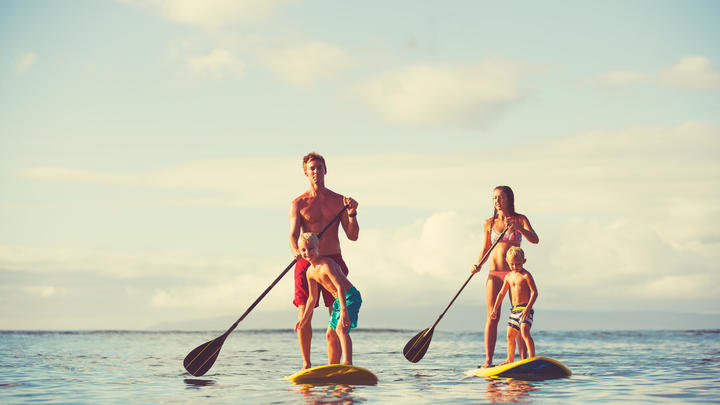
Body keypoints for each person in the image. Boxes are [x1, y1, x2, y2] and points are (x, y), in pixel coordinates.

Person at [290, 152, 359, 370]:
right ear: (305, 172)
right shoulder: (299, 203)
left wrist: (352, 214)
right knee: (304, 314)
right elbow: (293, 236)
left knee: (337, 315)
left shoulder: (339, 201)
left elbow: (353, 235)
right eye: (312, 168)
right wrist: (295, 251)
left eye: (319, 167)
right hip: (307, 262)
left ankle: (335, 366)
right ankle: (306, 365)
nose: (316, 172)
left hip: (332, 260)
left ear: (325, 170)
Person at [471, 185, 538, 368]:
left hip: (515, 274)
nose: (497, 201)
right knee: (492, 316)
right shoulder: (489, 223)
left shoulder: (520, 219)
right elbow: (485, 249)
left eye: (501, 198)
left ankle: (524, 360)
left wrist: (518, 228)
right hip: (494, 274)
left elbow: (535, 239)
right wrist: (478, 264)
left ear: (509, 199)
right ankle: (488, 361)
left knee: (519, 315)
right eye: (494, 198)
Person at [295, 233, 362, 367]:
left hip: (350, 297)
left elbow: (340, 287)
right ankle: (333, 367)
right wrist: (304, 319)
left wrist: (344, 312)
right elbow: (312, 298)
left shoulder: (326, 265)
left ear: (318, 247)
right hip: (339, 301)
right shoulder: (310, 272)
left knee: (341, 330)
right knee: (330, 335)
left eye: (311, 248)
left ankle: (348, 364)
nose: (307, 252)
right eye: (303, 250)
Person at [489, 246, 538, 365]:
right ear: (507, 262)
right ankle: (510, 359)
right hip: (514, 311)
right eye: (512, 264)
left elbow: (535, 293)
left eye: (518, 264)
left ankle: (531, 359)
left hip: (525, 309)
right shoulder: (508, 277)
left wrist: (528, 308)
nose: (515, 267)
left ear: (524, 261)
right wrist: (495, 308)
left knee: (524, 331)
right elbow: (501, 293)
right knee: (510, 336)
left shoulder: (526, 275)